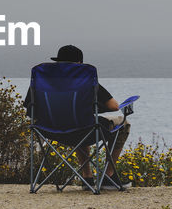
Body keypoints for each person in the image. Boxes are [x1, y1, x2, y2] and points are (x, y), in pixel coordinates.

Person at [25, 44, 131, 179]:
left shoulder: (42, 81)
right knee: (123, 124)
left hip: (48, 130)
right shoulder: (86, 81)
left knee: (82, 124)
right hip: (84, 130)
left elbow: (30, 109)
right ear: (79, 64)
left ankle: (87, 176)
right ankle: (109, 175)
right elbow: (114, 107)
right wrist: (92, 106)